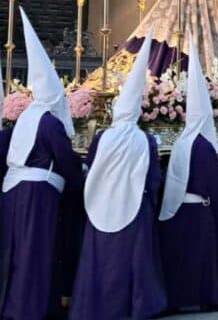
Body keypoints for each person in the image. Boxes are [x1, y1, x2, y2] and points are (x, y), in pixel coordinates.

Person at [70, 33, 167, 319]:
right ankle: (133, 305)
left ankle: (93, 305)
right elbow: (152, 178)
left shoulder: (103, 136)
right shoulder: (145, 140)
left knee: (99, 260)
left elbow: (90, 164)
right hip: (133, 207)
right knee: (131, 261)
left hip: (101, 204)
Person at [0, 9, 84, 320]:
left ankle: (13, 306)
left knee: (15, 251)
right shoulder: (49, 122)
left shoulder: (25, 117)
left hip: (13, 191)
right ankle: (31, 309)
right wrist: (82, 177)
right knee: (36, 254)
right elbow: (65, 160)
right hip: (38, 196)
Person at [158, 35, 218, 312]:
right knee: (203, 260)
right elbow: (213, 182)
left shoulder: (181, 142)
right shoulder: (203, 146)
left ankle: (178, 300)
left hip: (179, 210)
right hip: (201, 212)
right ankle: (209, 298)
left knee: (181, 259)